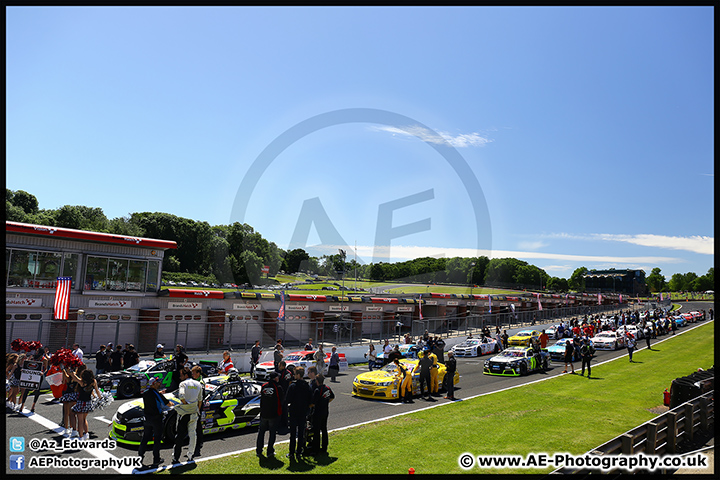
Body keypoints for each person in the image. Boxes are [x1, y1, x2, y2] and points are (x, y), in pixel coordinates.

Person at [171, 366, 203, 464]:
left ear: (185, 375)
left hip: (184, 414)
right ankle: (190, 456)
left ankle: (176, 457)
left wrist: (186, 405)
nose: (180, 377)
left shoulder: (183, 384)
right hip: (194, 413)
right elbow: (200, 400)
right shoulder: (198, 384)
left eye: (181, 375)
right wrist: (196, 409)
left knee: (179, 436)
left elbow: (181, 396)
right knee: (193, 434)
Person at [138, 376, 170, 467]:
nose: (160, 383)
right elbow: (167, 403)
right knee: (157, 439)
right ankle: (156, 459)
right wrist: (174, 404)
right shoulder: (157, 394)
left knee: (145, 438)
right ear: (153, 384)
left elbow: (152, 395)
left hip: (147, 419)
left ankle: (140, 457)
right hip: (156, 419)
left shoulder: (145, 393)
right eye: (158, 382)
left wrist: (159, 393)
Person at [285, 366, 312, 461]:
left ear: (298, 375)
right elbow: (310, 399)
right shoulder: (307, 386)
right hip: (303, 412)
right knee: (301, 433)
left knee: (293, 434)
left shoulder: (293, 386)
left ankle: (291, 452)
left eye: (295, 374)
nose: (294, 376)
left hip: (294, 412)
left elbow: (287, 399)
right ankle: (299, 451)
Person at [68, 368, 101, 440]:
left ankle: (81, 437)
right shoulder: (93, 381)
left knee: (80, 421)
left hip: (81, 403)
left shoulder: (82, 382)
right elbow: (97, 391)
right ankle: (86, 434)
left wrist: (71, 371)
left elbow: (74, 377)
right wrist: (100, 398)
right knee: (84, 419)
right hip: (88, 403)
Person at [256, 371, 283, 457]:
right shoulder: (278, 387)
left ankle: (259, 450)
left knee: (261, 432)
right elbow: (281, 400)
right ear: (275, 378)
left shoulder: (264, 386)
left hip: (264, 413)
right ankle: (270, 451)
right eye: (277, 377)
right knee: (272, 433)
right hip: (273, 414)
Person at [310, 374, 334, 455]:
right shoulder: (327, 388)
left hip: (318, 412)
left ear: (317, 381)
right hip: (325, 411)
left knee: (316, 431)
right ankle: (324, 447)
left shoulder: (318, 390)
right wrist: (325, 402)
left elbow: (313, 403)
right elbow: (332, 397)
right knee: (324, 429)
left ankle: (315, 449)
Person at [190, 365, 206, 459]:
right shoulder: (195, 381)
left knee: (197, 427)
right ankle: (198, 444)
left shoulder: (200, 383)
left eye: (193, 373)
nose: (192, 374)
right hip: (195, 406)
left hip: (198, 407)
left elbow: (201, 398)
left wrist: (198, 410)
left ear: (198, 374)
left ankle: (198, 446)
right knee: (196, 427)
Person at [276, 360, 293, 433]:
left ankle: (284, 423)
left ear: (283, 366)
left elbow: (290, 382)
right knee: (281, 408)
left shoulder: (287, 373)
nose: (278, 367)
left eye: (280, 365)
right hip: (280, 393)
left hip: (285, 393)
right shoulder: (279, 372)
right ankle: (281, 422)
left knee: (284, 409)